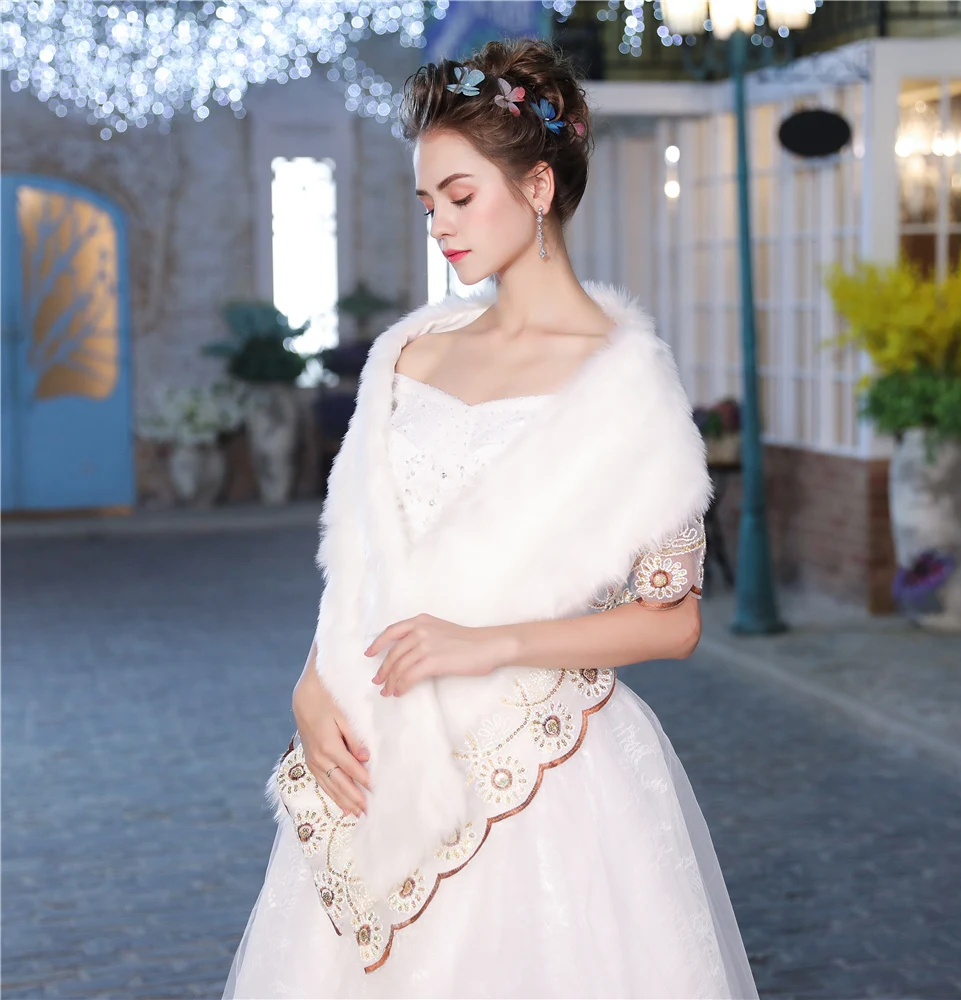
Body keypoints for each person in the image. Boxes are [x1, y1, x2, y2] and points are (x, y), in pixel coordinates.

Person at [223, 37, 759, 1000]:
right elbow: (363, 556)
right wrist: (311, 681)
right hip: (374, 750)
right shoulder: (411, 354)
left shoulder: (624, 381)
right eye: (428, 203)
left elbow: (673, 617)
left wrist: (488, 643)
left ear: (538, 186)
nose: (441, 224)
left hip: (538, 771)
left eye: (461, 197)